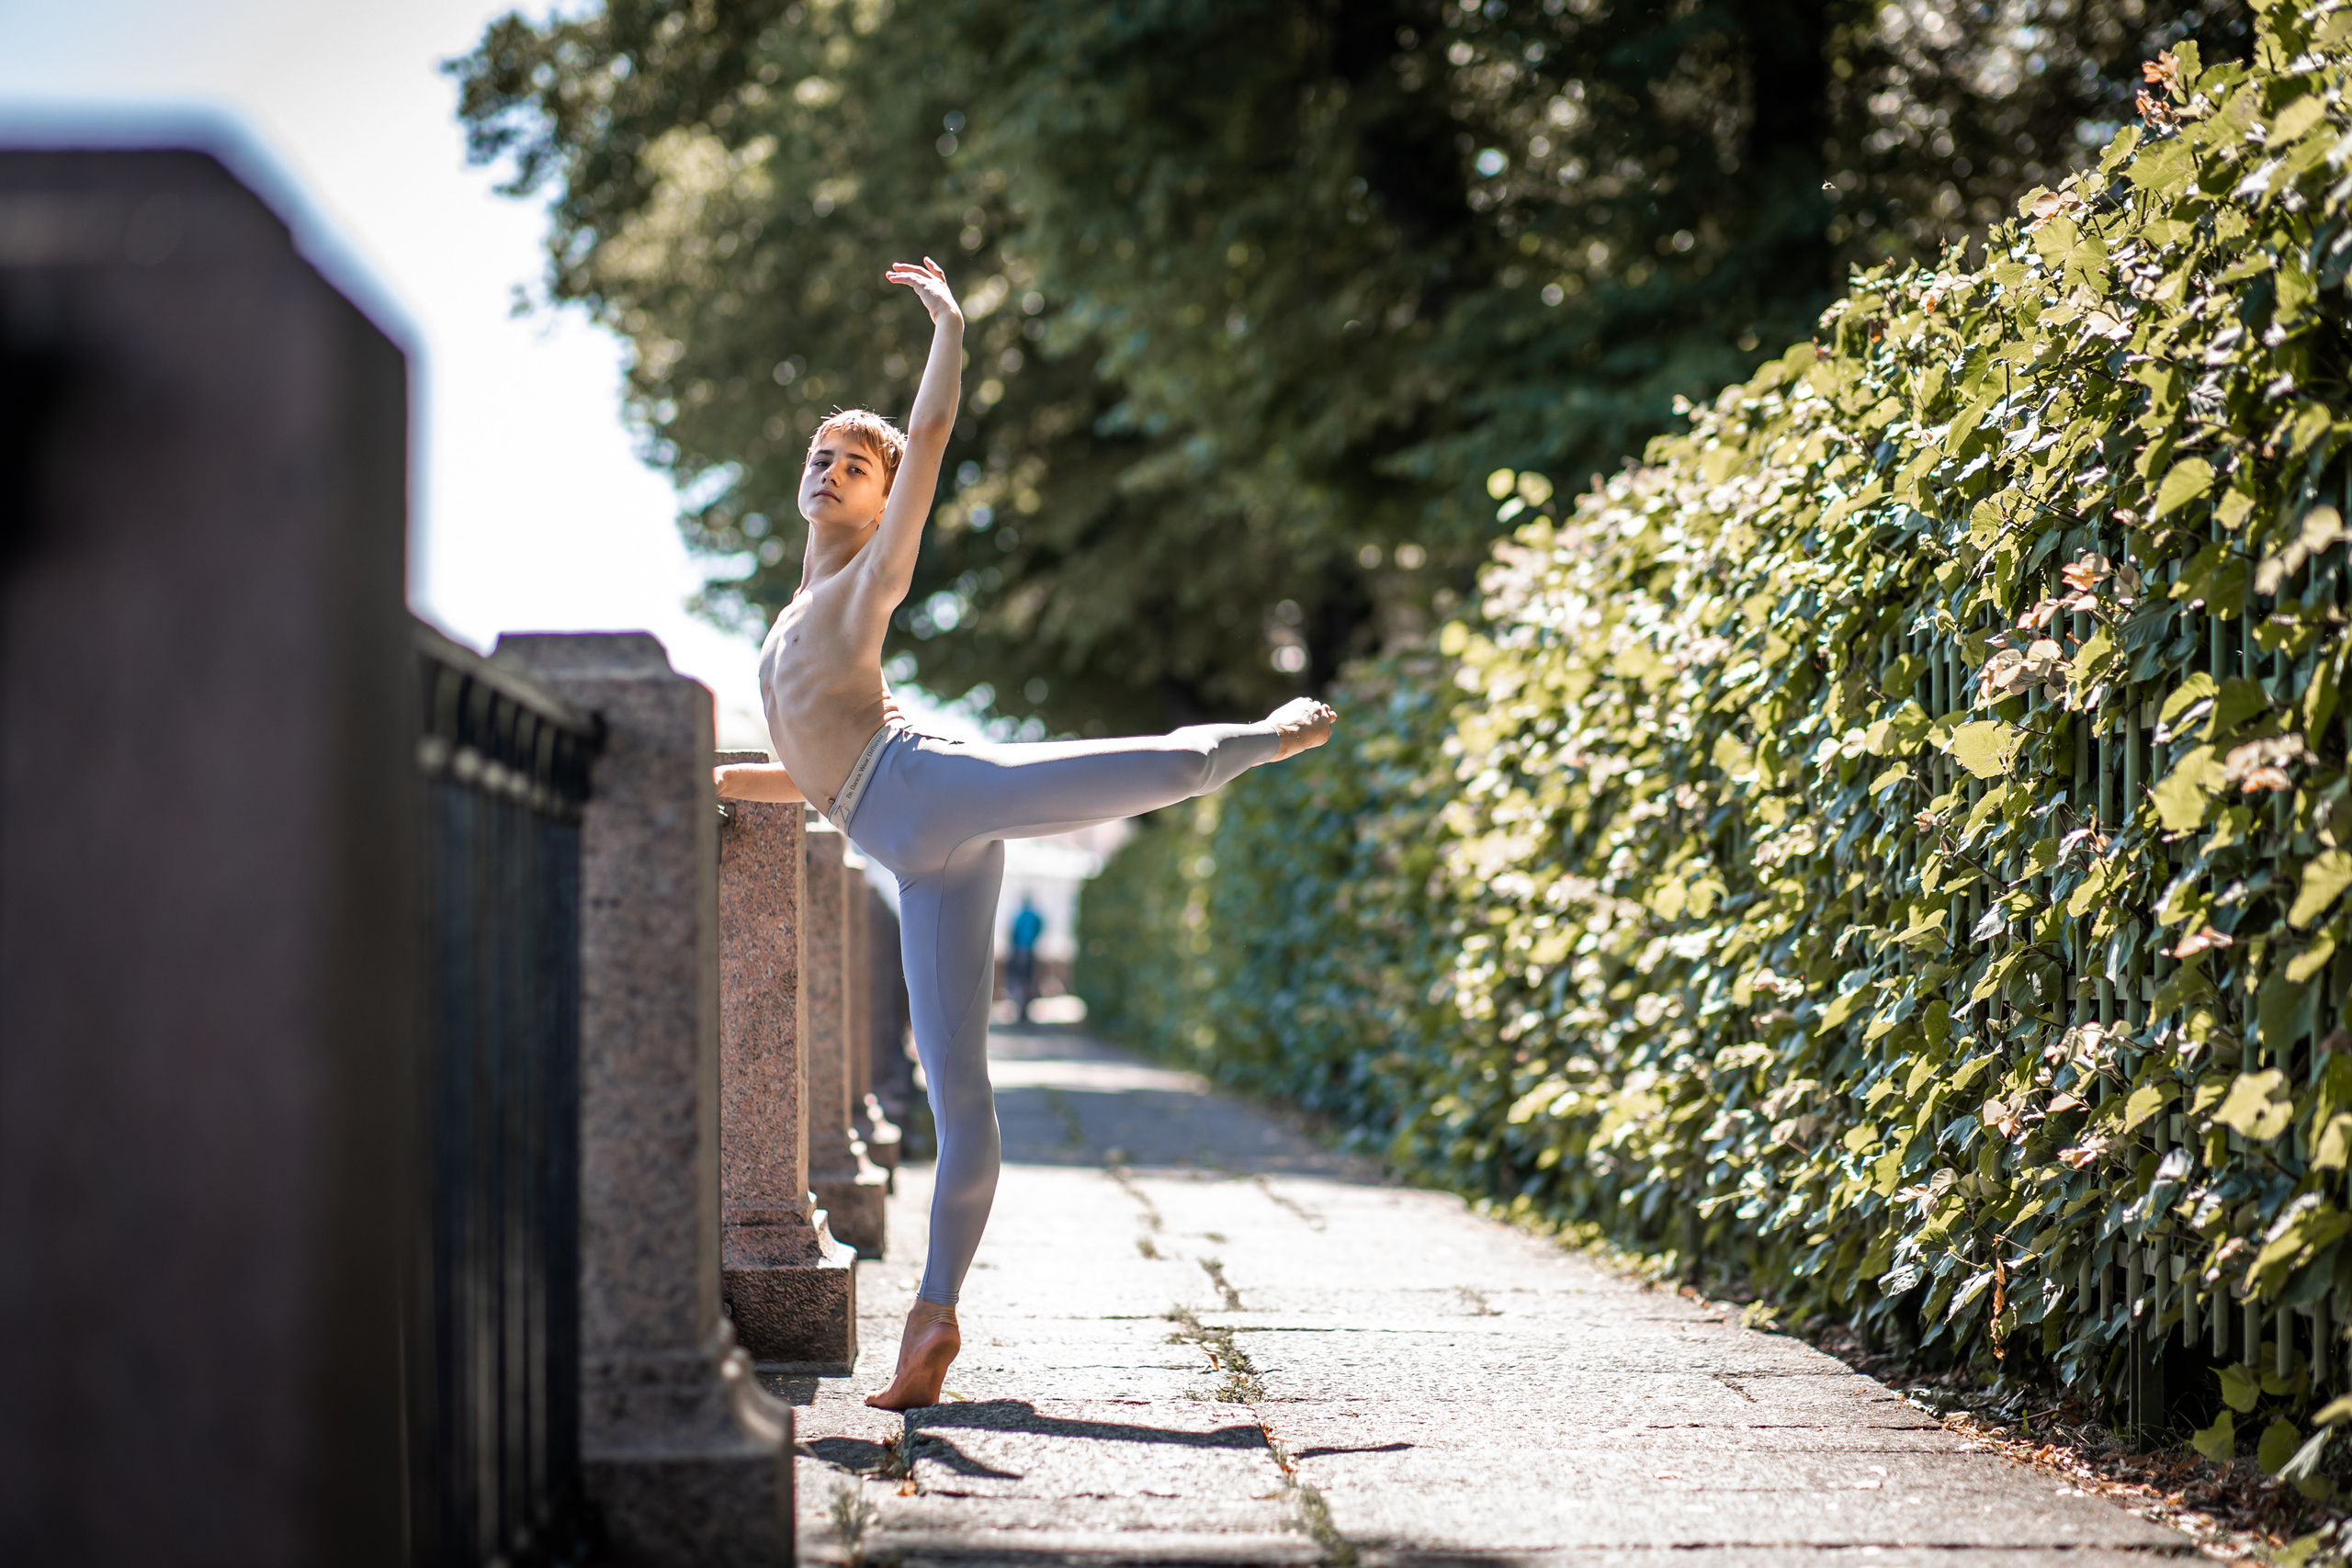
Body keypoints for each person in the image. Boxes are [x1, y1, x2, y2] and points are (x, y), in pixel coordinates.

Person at [711, 257, 1336, 1412]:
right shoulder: (793, 614)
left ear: (878, 497)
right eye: (821, 457)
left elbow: (933, 432)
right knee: (963, 1103)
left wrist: (949, 327)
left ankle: (1261, 735)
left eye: (856, 466)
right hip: (904, 843)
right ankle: (933, 1321)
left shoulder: (864, 584)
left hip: (934, 794)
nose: (831, 471)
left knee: (1148, 768)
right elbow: (802, 765)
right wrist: (715, 779)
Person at [1005, 895, 1044, 1022]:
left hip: (1019, 951)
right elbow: (1040, 927)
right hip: (1029, 950)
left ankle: (1020, 1010)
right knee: (1027, 982)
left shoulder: (1020, 915)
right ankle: (1024, 1011)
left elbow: (1012, 932)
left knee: (1018, 981)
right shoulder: (1033, 916)